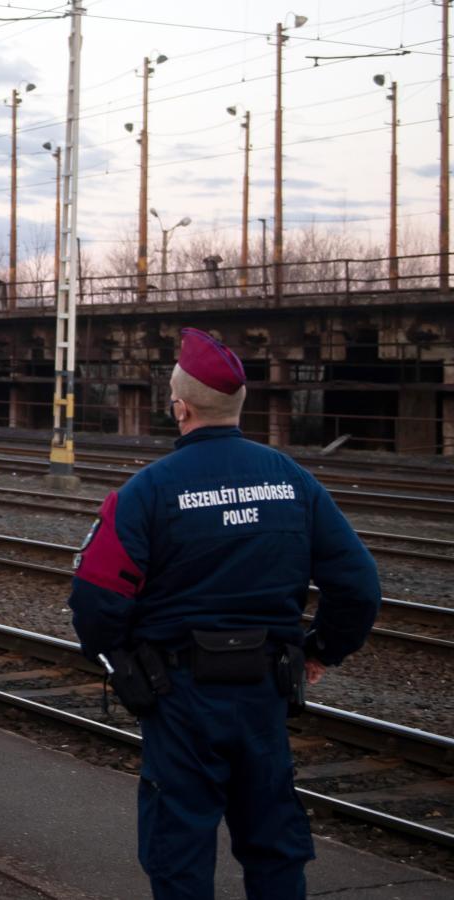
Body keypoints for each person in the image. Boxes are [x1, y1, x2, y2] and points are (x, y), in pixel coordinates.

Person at [67, 328, 380, 899]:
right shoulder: (293, 481)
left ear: (179, 406)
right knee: (275, 844)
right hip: (265, 690)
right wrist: (320, 650)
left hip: (179, 696)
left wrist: (120, 661)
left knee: (179, 848)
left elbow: (94, 598)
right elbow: (359, 585)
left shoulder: (147, 491)